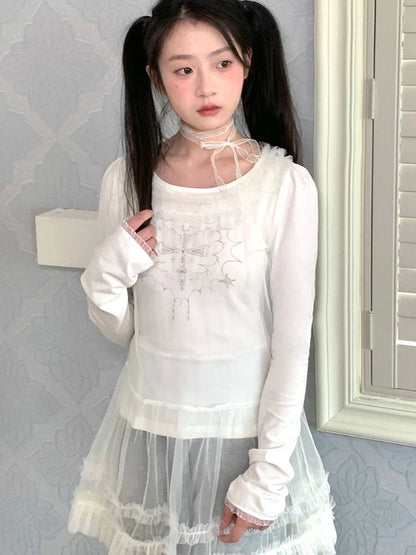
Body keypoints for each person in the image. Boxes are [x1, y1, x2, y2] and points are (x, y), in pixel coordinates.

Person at [68, 0, 337, 553]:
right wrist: (106, 271)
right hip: (150, 433)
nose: (206, 86)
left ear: (248, 63)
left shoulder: (283, 186)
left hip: (244, 440)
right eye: (183, 69)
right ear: (156, 78)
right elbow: (122, 331)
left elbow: (292, 346)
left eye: (222, 63)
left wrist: (267, 476)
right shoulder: (126, 180)